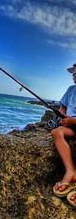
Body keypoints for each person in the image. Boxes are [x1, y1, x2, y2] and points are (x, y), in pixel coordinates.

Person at [52, 63, 76, 206]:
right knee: (56, 132)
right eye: (74, 73)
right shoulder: (71, 90)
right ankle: (71, 171)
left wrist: (73, 121)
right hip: (72, 128)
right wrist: (62, 117)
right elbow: (63, 107)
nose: (74, 76)